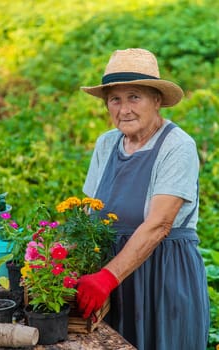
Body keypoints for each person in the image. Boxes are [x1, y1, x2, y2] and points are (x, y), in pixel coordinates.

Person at [76, 48, 210, 350]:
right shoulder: (107, 143)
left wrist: (107, 278)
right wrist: (63, 256)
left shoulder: (177, 146)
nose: (124, 109)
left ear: (156, 100)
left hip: (164, 277)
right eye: (115, 99)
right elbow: (88, 213)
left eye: (134, 96)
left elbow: (159, 225)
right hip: (112, 283)